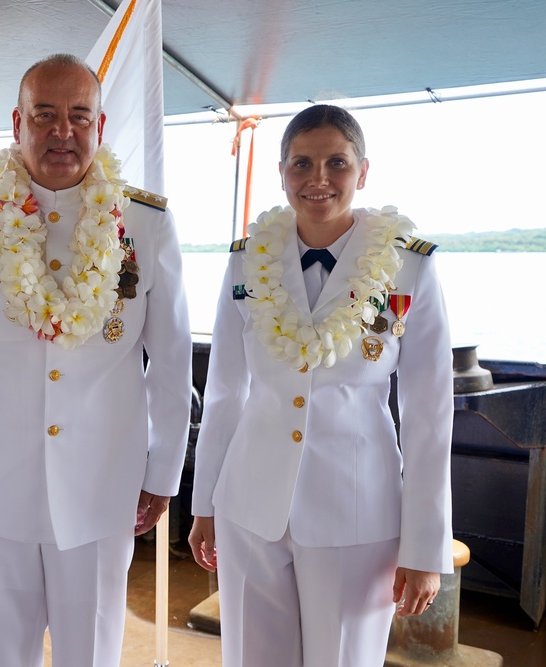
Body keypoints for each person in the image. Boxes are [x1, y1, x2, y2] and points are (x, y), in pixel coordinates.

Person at [0, 54, 192, 666]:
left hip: (102, 488)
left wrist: (163, 472)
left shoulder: (146, 224)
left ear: (100, 125)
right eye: (44, 115)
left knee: (91, 656)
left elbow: (172, 363)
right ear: (17, 122)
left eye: (79, 116)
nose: (61, 131)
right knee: (0, 656)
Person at [188, 104, 453, 666]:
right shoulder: (247, 264)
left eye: (337, 162)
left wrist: (426, 545)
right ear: (282, 172)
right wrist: (205, 501)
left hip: (355, 509)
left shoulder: (409, 269)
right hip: (248, 504)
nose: (319, 179)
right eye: (302, 164)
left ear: (363, 171)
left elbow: (429, 415)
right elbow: (224, 392)